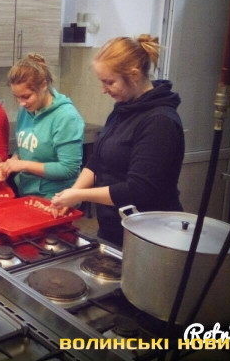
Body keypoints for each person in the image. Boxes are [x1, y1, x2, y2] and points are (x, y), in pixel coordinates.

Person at [51, 35, 185, 247]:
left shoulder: (160, 122)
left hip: (148, 237)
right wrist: (73, 195)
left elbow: (138, 190)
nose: (103, 89)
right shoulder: (123, 109)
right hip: (113, 229)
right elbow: (97, 161)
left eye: (109, 82)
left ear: (134, 75)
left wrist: (79, 194)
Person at [0, 54, 84, 199]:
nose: (21, 103)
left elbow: (68, 169)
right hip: (27, 192)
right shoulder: (26, 110)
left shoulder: (66, 117)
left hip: (57, 197)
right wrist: (11, 163)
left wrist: (23, 165)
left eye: (26, 96)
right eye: (16, 97)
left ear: (43, 85)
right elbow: (25, 150)